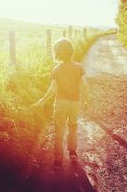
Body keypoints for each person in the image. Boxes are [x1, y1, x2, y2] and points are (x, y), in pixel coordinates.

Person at [35, 37, 90, 170]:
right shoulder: (79, 67)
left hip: (60, 103)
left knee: (59, 130)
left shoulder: (56, 69)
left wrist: (42, 100)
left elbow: (52, 89)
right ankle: (72, 152)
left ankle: (58, 160)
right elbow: (84, 85)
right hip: (75, 103)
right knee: (73, 125)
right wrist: (87, 98)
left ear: (57, 53)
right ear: (71, 51)